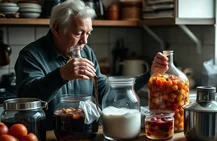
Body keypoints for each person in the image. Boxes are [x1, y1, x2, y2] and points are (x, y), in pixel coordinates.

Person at [15, 0, 168, 130]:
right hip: (47, 137)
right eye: (78, 33)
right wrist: (61, 75)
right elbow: (27, 99)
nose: (85, 41)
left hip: (85, 135)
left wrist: (150, 74)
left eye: (88, 33)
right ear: (57, 29)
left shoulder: (87, 52)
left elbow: (106, 92)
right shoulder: (30, 55)